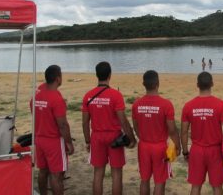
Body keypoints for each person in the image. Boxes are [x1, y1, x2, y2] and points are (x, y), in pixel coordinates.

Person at [82, 61, 137, 195]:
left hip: (96, 136)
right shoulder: (115, 95)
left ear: (97, 75)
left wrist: (88, 141)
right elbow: (123, 120)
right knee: (116, 173)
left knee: (98, 173)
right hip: (114, 137)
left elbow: (84, 123)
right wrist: (131, 139)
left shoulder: (88, 96)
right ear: (109, 75)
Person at [181, 72, 223, 195]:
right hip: (214, 151)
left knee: (196, 186)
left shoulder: (188, 106)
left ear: (197, 85)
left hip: (197, 150)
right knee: (217, 187)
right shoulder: (220, 104)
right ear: (212, 84)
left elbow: (184, 132)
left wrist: (185, 151)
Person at [132, 70, 181, 195]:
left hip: (143, 145)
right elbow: (172, 129)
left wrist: (142, 137)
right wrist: (178, 145)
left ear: (144, 84)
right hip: (159, 146)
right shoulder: (166, 104)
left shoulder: (137, 104)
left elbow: (135, 125)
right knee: (159, 181)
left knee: (144, 180)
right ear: (158, 83)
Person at [31, 65, 74, 195]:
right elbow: (62, 125)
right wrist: (69, 143)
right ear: (57, 79)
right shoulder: (56, 98)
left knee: (43, 171)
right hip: (53, 141)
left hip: (39, 138)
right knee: (56, 176)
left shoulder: (36, 96)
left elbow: (36, 113)